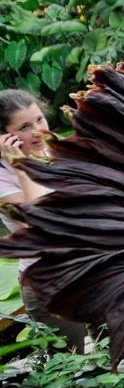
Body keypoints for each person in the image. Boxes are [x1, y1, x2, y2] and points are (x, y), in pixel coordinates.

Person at [0, 90, 85, 352]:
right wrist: (21, 167)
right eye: (25, 126)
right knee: (79, 371)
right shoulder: (4, 180)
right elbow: (44, 224)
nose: (38, 130)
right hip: (50, 286)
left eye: (40, 119)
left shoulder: (55, 152)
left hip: (88, 273)